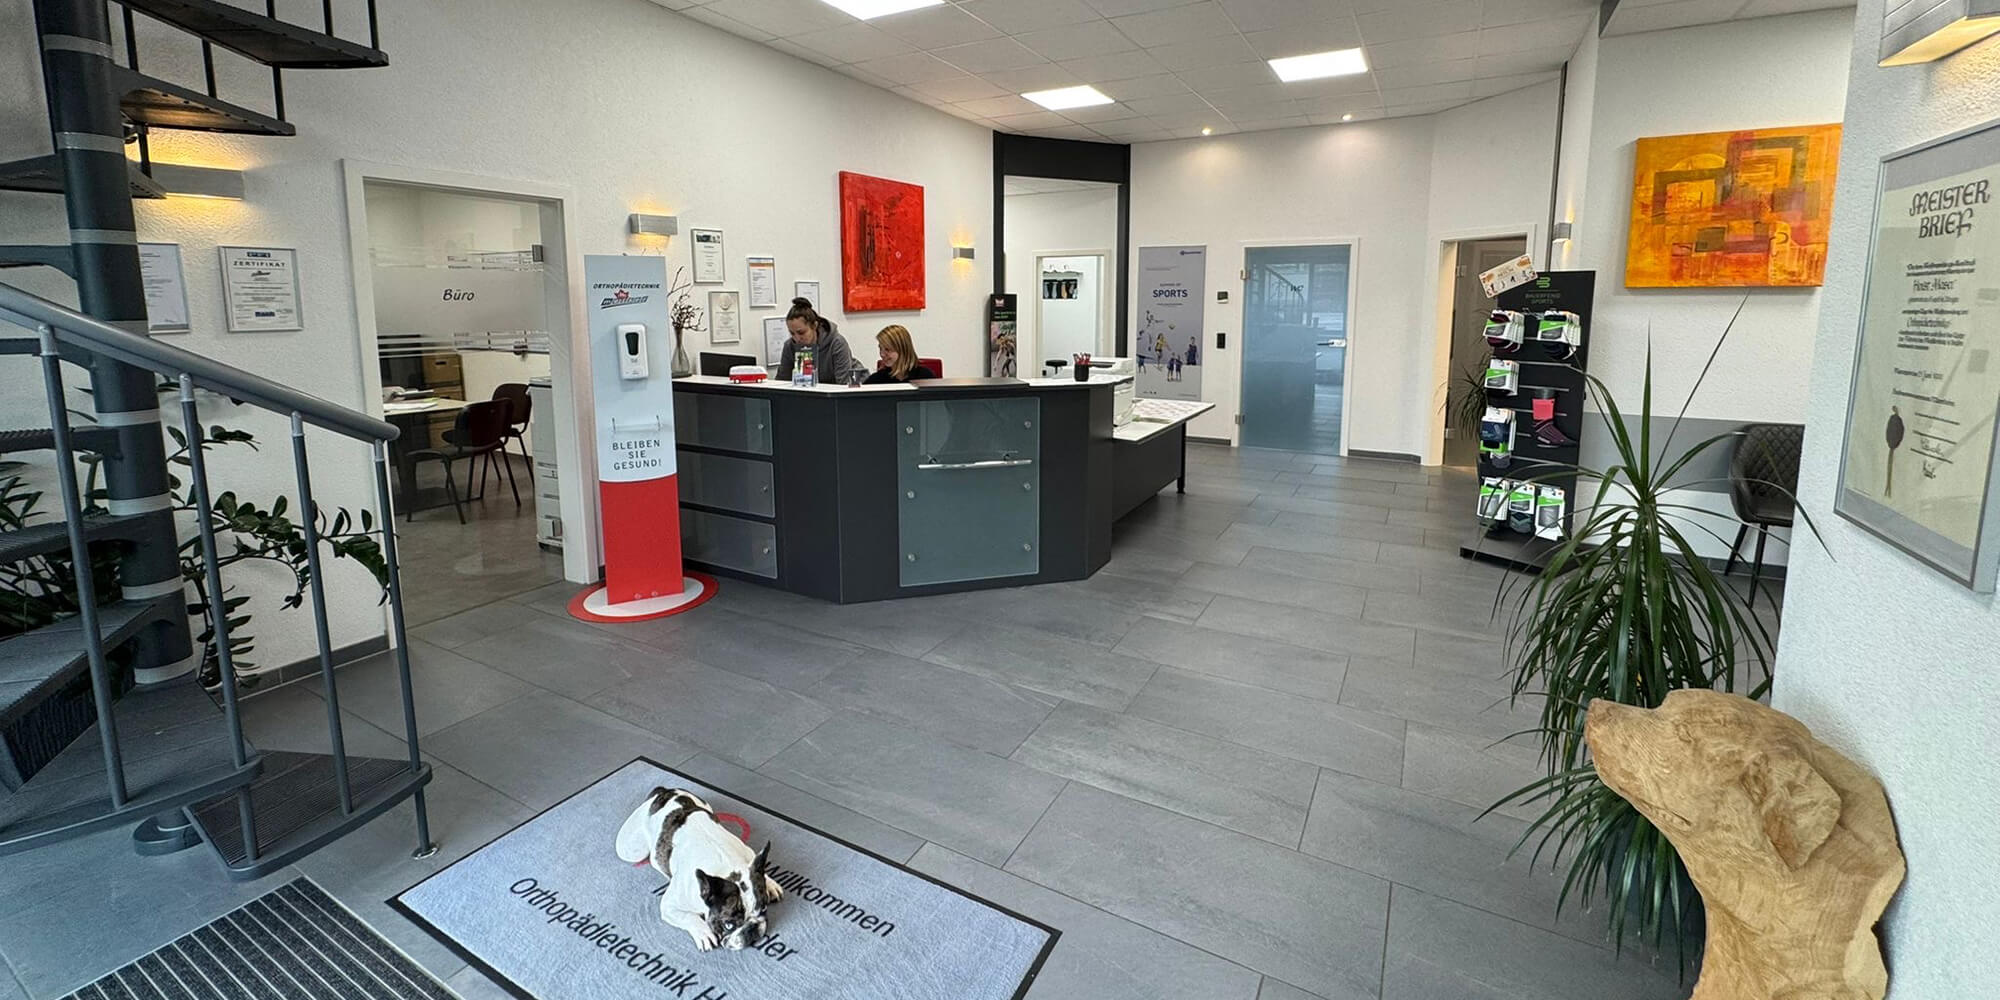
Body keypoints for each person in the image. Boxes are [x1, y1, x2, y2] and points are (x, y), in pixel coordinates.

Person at [775, 297, 861, 383]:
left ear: (814, 326)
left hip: (856, 386)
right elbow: (782, 381)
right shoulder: (789, 346)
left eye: (801, 333)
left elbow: (844, 384)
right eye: (792, 333)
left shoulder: (837, 343)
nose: (797, 339)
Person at [865, 324, 936, 384]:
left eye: (887, 349)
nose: (882, 354)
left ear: (902, 349)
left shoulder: (925, 377)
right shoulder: (876, 380)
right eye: (880, 348)